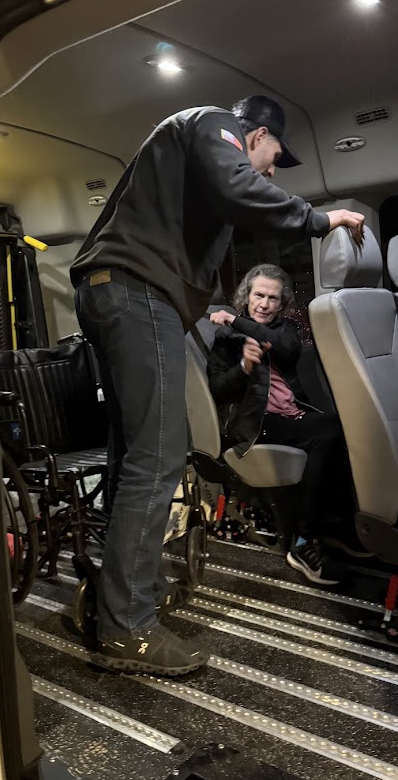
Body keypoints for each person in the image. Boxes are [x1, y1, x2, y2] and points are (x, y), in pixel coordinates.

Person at [70, 94, 364, 677]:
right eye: (275, 157)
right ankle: (127, 627)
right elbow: (240, 186)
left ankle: (122, 594)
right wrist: (321, 219)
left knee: (135, 454)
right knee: (159, 456)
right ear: (255, 136)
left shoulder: (194, 171)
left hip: (122, 293)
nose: (272, 172)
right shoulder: (212, 123)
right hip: (136, 293)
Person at [207, 265, 355, 585]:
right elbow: (217, 390)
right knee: (325, 436)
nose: (264, 304)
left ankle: (337, 525)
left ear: (282, 303)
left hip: (292, 414)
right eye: (258, 295)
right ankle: (303, 542)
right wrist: (245, 367)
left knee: (346, 428)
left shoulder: (283, 330)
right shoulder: (226, 337)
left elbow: (286, 348)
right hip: (255, 424)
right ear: (246, 296)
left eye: (273, 298)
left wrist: (235, 319)